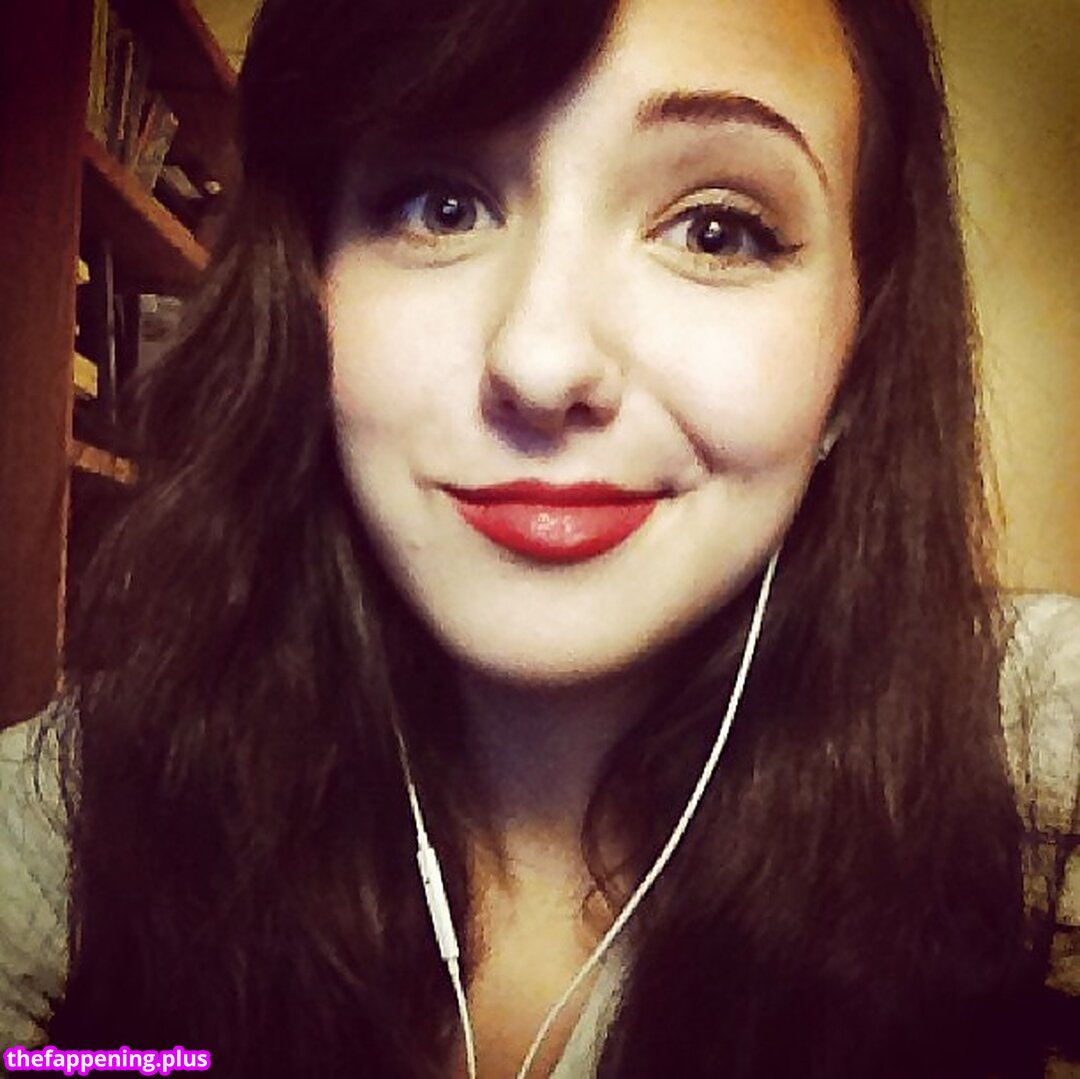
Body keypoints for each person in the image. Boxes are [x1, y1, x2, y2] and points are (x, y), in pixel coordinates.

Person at [1, 0, 1077, 1075]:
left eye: (715, 228)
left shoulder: (1030, 758)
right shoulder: (75, 810)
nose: (541, 360)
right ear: (305, 288)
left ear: (858, 353)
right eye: (440, 206)